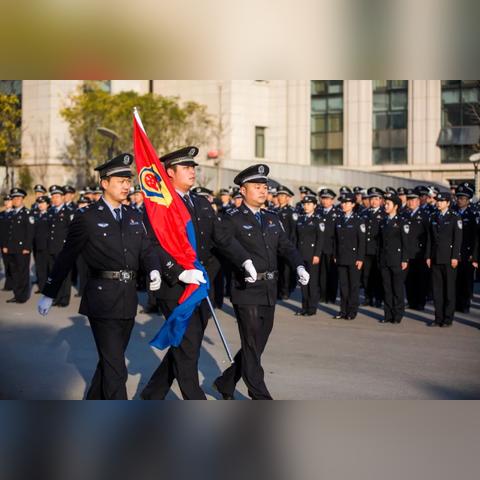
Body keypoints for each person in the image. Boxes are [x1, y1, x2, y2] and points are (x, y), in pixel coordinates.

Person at [37, 153, 180, 400]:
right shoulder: (87, 217)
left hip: (127, 298)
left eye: (128, 180)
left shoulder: (134, 216)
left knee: (109, 362)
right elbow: (66, 257)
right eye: (120, 180)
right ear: (104, 183)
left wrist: (155, 268)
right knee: (116, 368)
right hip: (101, 299)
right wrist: (49, 292)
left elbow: (146, 249)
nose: (127, 185)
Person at [141, 147, 253, 400]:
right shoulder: (159, 205)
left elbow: (220, 237)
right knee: (189, 348)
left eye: (194, 167)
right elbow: (151, 244)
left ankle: (152, 393)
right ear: (169, 172)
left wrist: (243, 259)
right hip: (177, 287)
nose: (193, 171)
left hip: (201, 285)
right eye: (186, 167)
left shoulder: (200, 202)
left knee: (183, 344)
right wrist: (179, 273)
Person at [213, 164, 309, 400]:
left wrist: (298, 264)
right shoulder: (232, 219)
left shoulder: (271, 218)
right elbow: (225, 243)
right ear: (243, 190)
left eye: (265, 186)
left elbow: (285, 246)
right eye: (257, 186)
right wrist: (244, 261)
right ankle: (260, 396)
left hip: (268, 288)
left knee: (257, 343)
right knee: (252, 344)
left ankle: (226, 381)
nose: (263, 190)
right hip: (246, 289)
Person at [426, 192, 462, 327]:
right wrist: (428, 256)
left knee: (449, 290)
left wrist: (455, 257)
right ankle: (438, 318)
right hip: (435, 258)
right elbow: (430, 239)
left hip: (448, 259)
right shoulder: (434, 216)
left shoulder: (454, 217)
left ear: (448, 203)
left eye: (442, 201)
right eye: (438, 201)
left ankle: (448, 318)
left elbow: (457, 239)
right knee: (437, 290)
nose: (438, 203)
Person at [377, 193, 410, 324]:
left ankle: (398, 315)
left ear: (395, 206)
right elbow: (380, 243)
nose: (385, 205)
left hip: (397, 260)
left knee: (397, 288)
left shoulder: (402, 221)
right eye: (385, 203)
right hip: (385, 260)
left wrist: (405, 259)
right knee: (387, 288)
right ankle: (388, 314)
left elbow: (405, 242)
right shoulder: (383, 221)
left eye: (388, 204)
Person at [333, 193, 366, 320]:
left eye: (347, 203)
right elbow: (336, 240)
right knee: (343, 286)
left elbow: (361, 241)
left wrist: (360, 258)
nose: (344, 205)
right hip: (341, 257)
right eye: (342, 202)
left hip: (354, 258)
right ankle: (343, 310)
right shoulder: (339, 219)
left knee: (353, 286)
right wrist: (335, 254)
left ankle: (352, 311)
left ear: (352, 204)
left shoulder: (358, 220)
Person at [2, 188, 34, 304]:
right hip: (11, 248)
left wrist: (27, 247)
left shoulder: (27, 213)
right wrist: (5, 245)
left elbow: (30, 232)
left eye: (18, 198)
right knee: (14, 272)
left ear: (22, 199)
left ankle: (22, 296)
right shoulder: (11, 213)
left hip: (22, 249)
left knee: (22, 272)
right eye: (14, 198)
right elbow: (8, 232)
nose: (16, 200)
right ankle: (16, 294)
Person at [402, 188, 430, 311]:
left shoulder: (424, 216)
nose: (410, 202)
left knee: (421, 280)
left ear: (418, 201)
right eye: (409, 200)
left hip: (420, 253)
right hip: (407, 252)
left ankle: (420, 302)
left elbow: (428, 237)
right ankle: (411, 300)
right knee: (409, 279)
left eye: (413, 200)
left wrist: (427, 254)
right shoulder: (404, 215)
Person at [46, 185, 74, 307]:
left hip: (63, 250)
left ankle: (64, 299)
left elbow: (72, 233)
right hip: (52, 248)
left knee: (65, 275)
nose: (55, 199)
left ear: (63, 197)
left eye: (57, 196)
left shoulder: (69, 212)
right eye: (53, 197)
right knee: (54, 275)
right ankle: (56, 297)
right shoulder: (51, 211)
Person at [295, 194, 322, 316]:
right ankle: (304, 307)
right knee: (303, 282)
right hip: (301, 254)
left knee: (312, 282)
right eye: (304, 204)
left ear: (315, 206)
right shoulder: (300, 219)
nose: (306, 206)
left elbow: (320, 239)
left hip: (312, 256)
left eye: (309, 204)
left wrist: (317, 254)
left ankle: (312, 308)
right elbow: (296, 238)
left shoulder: (318, 220)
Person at [453, 185, 477, 313]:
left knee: (466, 280)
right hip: (455, 252)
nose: (459, 200)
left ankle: (465, 304)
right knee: (456, 279)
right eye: (458, 197)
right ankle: (457, 303)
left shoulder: (472, 215)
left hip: (467, 253)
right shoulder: (453, 212)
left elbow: (474, 238)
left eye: (462, 198)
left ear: (468, 200)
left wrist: (473, 254)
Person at [362, 187, 386, 307]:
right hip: (366, 250)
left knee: (378, 276)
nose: (373, 202)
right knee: (366, 276)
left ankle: (378, 298)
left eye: (376, 199)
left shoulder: (384, 214)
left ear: (381, 200)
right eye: (371, 199)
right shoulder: (364, 213)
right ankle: (368, 297)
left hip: (377, 250)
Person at [316, 188, 338, 304]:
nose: (324, 201)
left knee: (332, 274)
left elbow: (337, 235)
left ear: (332, 200)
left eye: (327, 199)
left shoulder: (337, 214)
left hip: (331, 249)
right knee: (321, 274)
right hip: (320, 249)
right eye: (323, 198)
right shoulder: (318, 212)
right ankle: (322, 295)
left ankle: (331, 296)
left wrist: (336, 252)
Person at [276, 185, 298, 300]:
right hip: (276, 246)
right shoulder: (275, 210)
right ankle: (278, 290)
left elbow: (293, 231)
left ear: (288, 198)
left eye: (282, 196)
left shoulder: (291, 212)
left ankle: (285, 291)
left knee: (286, 270)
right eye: (279, 195)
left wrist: (291, 246)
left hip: (286, 245)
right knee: (278, 269)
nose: (280, 198)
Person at [33, 195, 50, 293]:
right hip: (37, 246)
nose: (40, 205)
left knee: (48, 268)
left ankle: (48, 287)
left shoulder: (50, 215)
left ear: (47, 204)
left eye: (43, 203)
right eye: (39, 203)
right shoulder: (35, 215)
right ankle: (41, 287)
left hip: (47, 246)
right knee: (40, 268)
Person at [0, 195, 14, 291]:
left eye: (8, 201)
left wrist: (8, 245)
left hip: (12, 244)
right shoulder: (1, 214)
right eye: (5, 201)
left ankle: (14, 284)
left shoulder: (15, 214)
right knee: (6, 265)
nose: (6, 203)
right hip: (3, 243)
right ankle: (8, 285)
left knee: (13, 265)